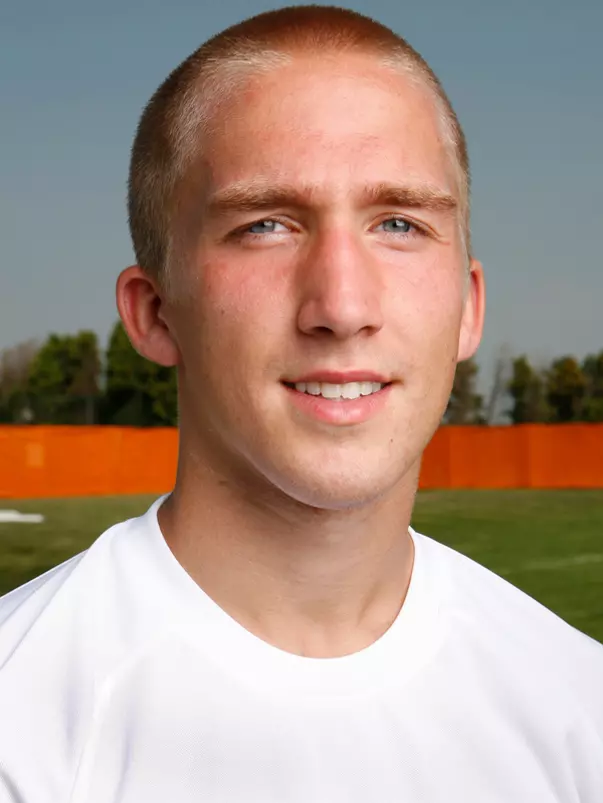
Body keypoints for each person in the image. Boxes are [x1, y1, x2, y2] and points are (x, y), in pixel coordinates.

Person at [0, 5, 601, 801]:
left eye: (398, 222)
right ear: (153, 311)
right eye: (265, 225)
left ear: (466, 306)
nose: (341, 305)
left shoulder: (577, 704)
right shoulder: (23, 715)